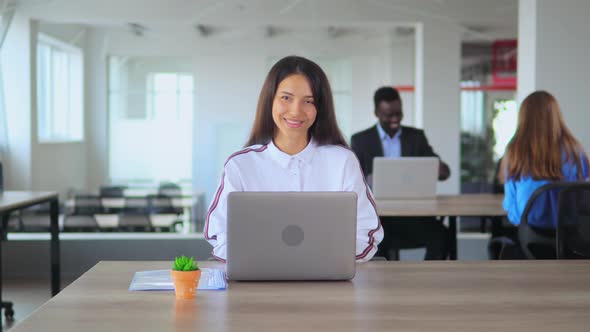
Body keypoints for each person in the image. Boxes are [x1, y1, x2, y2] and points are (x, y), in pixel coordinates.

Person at [204, 56, 383, 262]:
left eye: (308, 101)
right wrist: (268, 261)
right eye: (286, 98)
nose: (296, 111)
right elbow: (218, 235)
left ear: (320, 108)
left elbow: (367, 233)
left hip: (329, 283)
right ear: (270, 100)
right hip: (259, 283)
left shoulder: (343, 161)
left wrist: (318, 261)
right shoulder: (239, 165)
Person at [351, 86, 450, 260]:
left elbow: (443, 172)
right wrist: (367, 179)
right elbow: (351, 179)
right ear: (377, 113)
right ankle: (384, 286)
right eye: (389, 115)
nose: (395, 119)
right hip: (378, 218)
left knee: (441, 236)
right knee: (373, 242)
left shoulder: (416, 137)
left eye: (399, 113)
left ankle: (430, 284)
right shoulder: (361, 140)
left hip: (414, 215)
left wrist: (438, 168)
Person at [497, 90, 589, 258]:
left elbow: (513, 213)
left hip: (530, 245)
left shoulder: (515, 152)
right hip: (571, 245)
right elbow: (583, 203)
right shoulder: (575, 151)